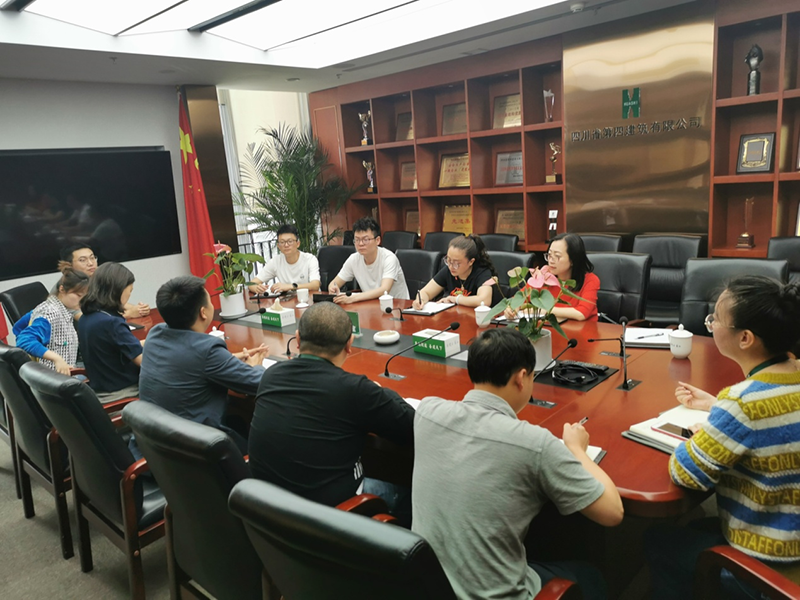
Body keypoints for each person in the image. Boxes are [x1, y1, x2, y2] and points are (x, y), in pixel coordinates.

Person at [412, 327, 623, 600]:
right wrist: (577, 450)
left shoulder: (427, 411)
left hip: (426, 587)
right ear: (522, 377)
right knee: (589, 576)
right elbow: (613, 512)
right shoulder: (534, 443)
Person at [646, 276, 800, 598]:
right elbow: (775, 416)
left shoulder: (742, 403)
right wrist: (716, 407)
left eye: (715, 319)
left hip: (771, 570)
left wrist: (702, 435)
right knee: (696, 526)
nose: (711, 324)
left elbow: (685, 473)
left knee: (658, 539)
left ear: (745, 338)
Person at [248, 302, 415, 513]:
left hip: (268, 511)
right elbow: (412, 427)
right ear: (349, 344)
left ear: (297, 339)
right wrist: (380, 392)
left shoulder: (271, 375)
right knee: (411, 496)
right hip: (330, 518)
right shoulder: (356, 390)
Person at [134, 276, 269, 455]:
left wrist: (230, 360)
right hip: (194, 452)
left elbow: (187, 361)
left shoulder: (155, 334)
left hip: (153, 447)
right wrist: (255, 365)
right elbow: (260, 383)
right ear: (203, 312)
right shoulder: (207, 350)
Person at [77, 262, 144, 403]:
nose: (129, 295)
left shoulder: (86, 318)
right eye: (130, 291)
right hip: (124, 393)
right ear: (118, 290)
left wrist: (150, 342)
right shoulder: (112, 322)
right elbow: (143, 362)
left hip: (101, 391)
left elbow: (113, 348)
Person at [505, 232, 599, 321]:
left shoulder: (590, 280)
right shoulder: (544, 276)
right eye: (549, 255)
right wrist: (512, 308)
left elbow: (581, 314)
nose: (551, 261)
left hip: (583, 330)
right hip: (550, 328)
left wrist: (544, 310)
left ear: (573, 260)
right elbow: (519, 298)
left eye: (557, 256)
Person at [13, 268, 89, 374]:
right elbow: (24, 340)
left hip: (66, 373)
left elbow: (18, 327)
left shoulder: (53, 307)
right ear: (62, 289)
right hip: (52, 378)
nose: (82, 301)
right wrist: (56, 358)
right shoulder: (50, 313)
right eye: (79, 295)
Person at [327, 216, 409, 303]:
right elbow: (334, 283)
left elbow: (384, 290)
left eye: (365, 240)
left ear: (377, 240)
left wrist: (353, 298)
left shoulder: (389, 258)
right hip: (370, 304)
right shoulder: (353, 259)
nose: (360, 244)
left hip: (397, 306)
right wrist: (333, 287)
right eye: (357, 240)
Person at [57, 242, 150, 319]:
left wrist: (139, 309)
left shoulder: (97, 278)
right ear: (68, 265)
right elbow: (86, 319)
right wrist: (129, 314)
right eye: (82, 260)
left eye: (92, 258)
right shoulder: (67, 287)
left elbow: (114, 301)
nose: (90, 263)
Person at [412, 234, 500, 309]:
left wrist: (456, 299)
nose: (451, 266)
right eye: (448, 260)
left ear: (471, 262)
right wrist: (420, 300)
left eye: (457, 263)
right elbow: (426, 292)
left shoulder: (482, 273)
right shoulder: (448, 270)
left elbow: (484, 300)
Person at [247, 224, 321, 294]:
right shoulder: (275, 261)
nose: (286, 245)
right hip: (288, 300)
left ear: (298, 244)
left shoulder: (310, 259)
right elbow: (251, 284)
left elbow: (315, 285)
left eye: (290, 241)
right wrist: (257, 288)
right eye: (282, 242)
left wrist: (291, 286)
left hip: (310, 299)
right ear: (278, 246)